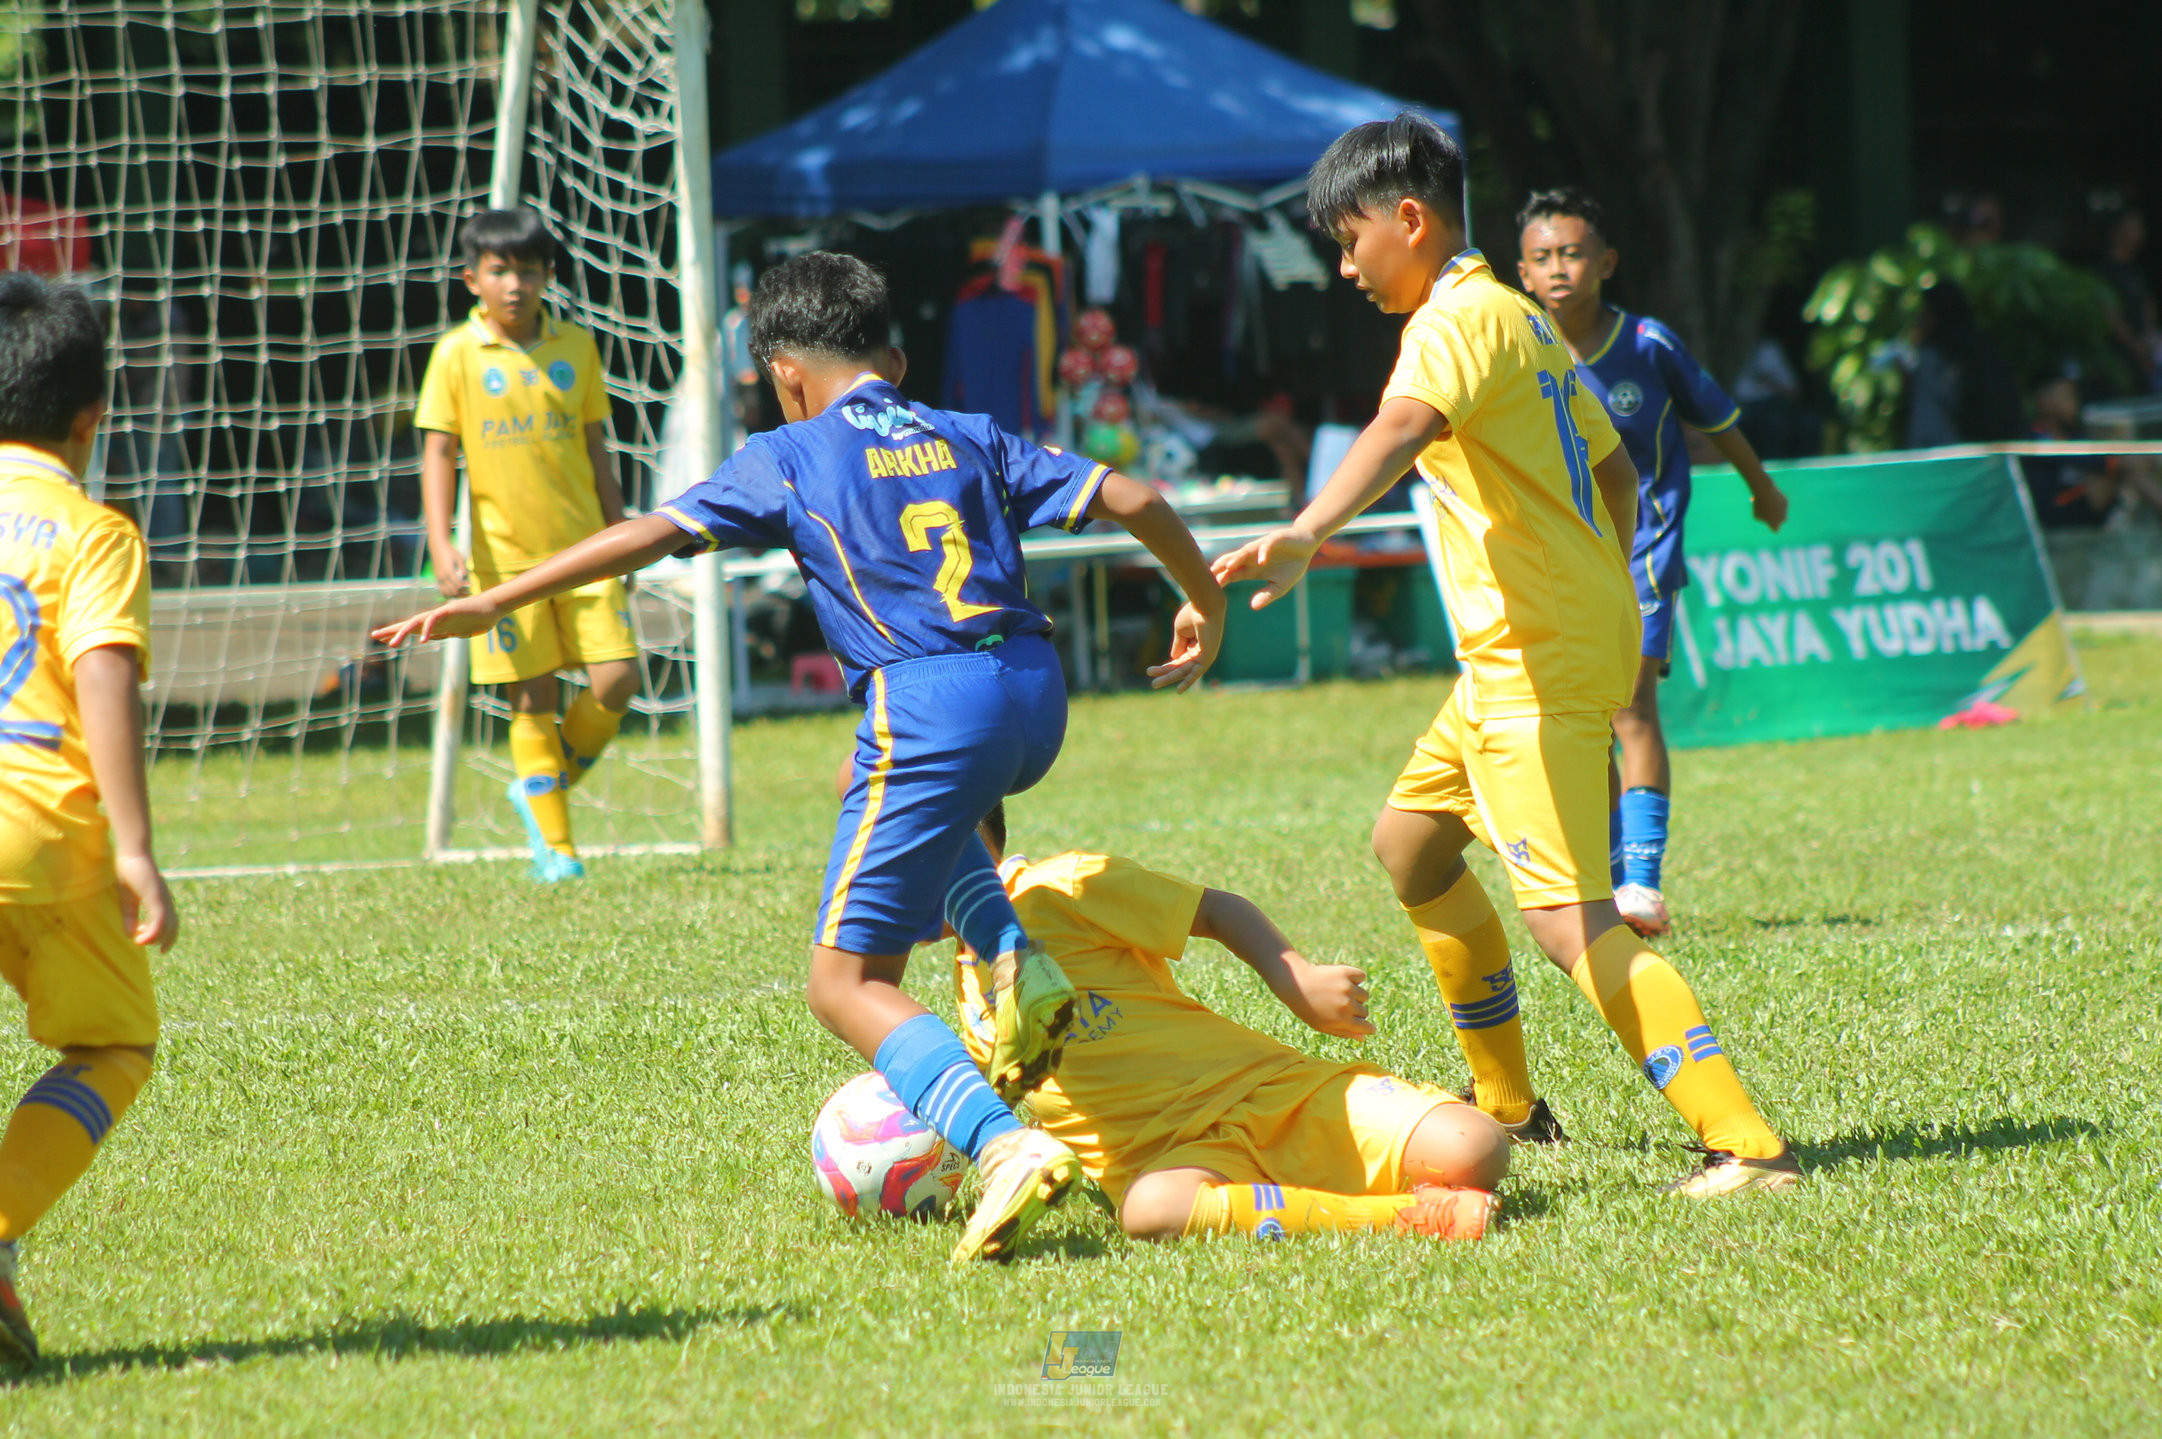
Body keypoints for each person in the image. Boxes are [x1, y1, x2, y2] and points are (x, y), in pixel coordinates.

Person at [376, 252, 1227, 1261]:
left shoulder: (787, 452)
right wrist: (1204, 604)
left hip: (928, 702)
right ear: (893, 361)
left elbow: (644, 534)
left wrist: (495, 599)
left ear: (783, 374)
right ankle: (1013, 960)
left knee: (840, 984)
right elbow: (1132, 497)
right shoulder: (966, 430)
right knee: (877, 810)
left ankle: (1003, 1147)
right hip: (1034, 693)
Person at [1213, 115, 1797, 1196]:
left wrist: (1307, 528)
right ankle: (1509, 1109)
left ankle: (1747, 1147)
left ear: (1408, 218)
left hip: (1532, 661)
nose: (1345, 268)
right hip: (1531, 650)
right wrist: (1588, 578)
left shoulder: (1451, 321)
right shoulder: (1519, 317)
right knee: (1410, 848)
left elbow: (1398, 429)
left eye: (1349, 241)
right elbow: (1617, 472)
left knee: (1567, 918)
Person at [936, 804, 1506, 1244]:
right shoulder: (966, 985)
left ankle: (1291, 1190)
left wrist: (1297, 978)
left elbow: (1212, 909)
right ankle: (1406, 1216)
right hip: (1168, 1164)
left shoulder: (1061, 888)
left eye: (899, 860)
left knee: (1474, 1148)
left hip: (1264, 1092)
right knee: (1151, 1211)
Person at [1513, 188, 1791, 938]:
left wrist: (1762, 488)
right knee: (1577, 721)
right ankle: (1603, 879)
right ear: (1522, 273)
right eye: (1543, 257)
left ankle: (1641, 883)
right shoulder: (1518, 348)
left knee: (1630, 708)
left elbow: (1719, 419)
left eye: (1573, 253)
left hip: (1643, 551)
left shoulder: (1647, 344)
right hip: (1557, 561)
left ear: (1606, 262)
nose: (1559, 269)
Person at [0, 273, 182, 1363]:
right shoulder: (91, 531)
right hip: (40, 833)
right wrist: (136, 848)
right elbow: (103, 673)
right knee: (112, 1042)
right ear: (91, 417)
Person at [415, 207, 640, 883]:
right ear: (472, 280)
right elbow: (438, 451)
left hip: (586, 550)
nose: (515, 284)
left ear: (548, 276)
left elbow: (598, 447)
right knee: (532, 697)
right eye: (500, 271)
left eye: (530, 271)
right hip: (504, 563)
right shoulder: (456, 353)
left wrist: (621, 532)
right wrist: (440, 543)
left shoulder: (577, 346)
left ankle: (542, 788)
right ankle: (557, 850)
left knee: (618, 680)